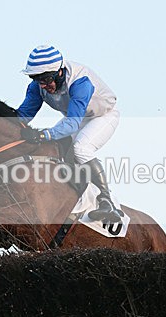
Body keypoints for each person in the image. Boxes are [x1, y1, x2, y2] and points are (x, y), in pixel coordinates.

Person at [16, 45, 124, 223]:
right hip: (77, 118)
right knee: (54, 150)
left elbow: (72, 124)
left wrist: (43, 135)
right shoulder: (37, 87)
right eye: (37, 80)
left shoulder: (80, 82)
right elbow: (23, 116)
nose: (43, 85)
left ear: (60, 72)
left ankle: (107, 201)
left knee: (80, 148)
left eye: (46, 79)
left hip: (103, 116)